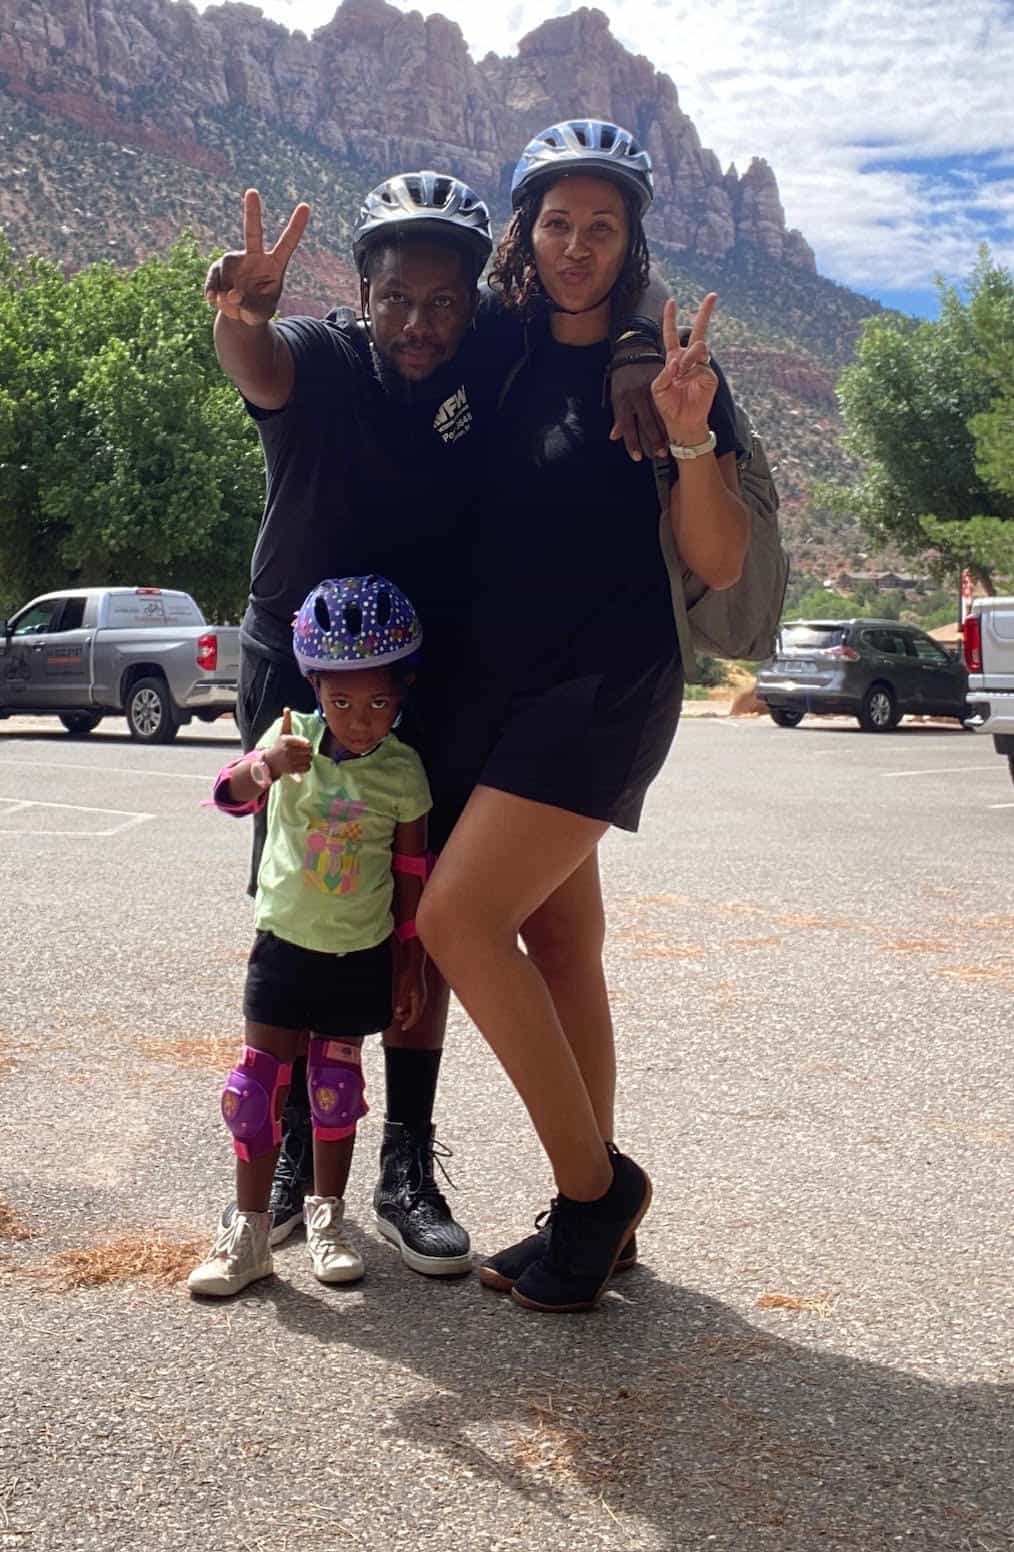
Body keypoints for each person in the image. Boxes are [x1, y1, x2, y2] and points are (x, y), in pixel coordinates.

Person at [204, 172, 672, 1273]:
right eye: (396, 299)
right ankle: (291, 1154)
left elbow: (605, 286)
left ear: (475, 301)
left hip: (429, 683)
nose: (419, 322)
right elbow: (258, 365)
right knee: (304, 906)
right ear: (360, 292)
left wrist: (638, 347)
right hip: (301, 672)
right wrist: (240, 318)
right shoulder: (321, 354)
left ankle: (405, 1161)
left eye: (443, 301)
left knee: (421, 911)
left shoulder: (491, 352)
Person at [416, 117, 751, 1315]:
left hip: (607, 688)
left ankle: (596, 1191)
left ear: (630, 239)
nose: (576, 244)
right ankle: (591, 1216)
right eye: (557, 221)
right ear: (526, 230)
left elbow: (717, 557)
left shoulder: (672, 369)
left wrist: (692, 430)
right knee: (561, 944)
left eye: (601, 225)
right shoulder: (500, 346)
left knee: (458, 918)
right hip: (505, 692)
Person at [187, 576, 433, 1299]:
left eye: (379, 703)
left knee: (335, 1089)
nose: (359, 721)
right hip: (284, 945)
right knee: (254, 1088)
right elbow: (228, 796)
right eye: (342, 701)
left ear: (403, 695)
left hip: (359, 953)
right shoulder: (291, 735)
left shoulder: (403, 772)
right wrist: (266, 765)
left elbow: (411, 875)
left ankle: (328, 1222)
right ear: (316, 688)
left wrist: (409, 965)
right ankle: (249, 1235)